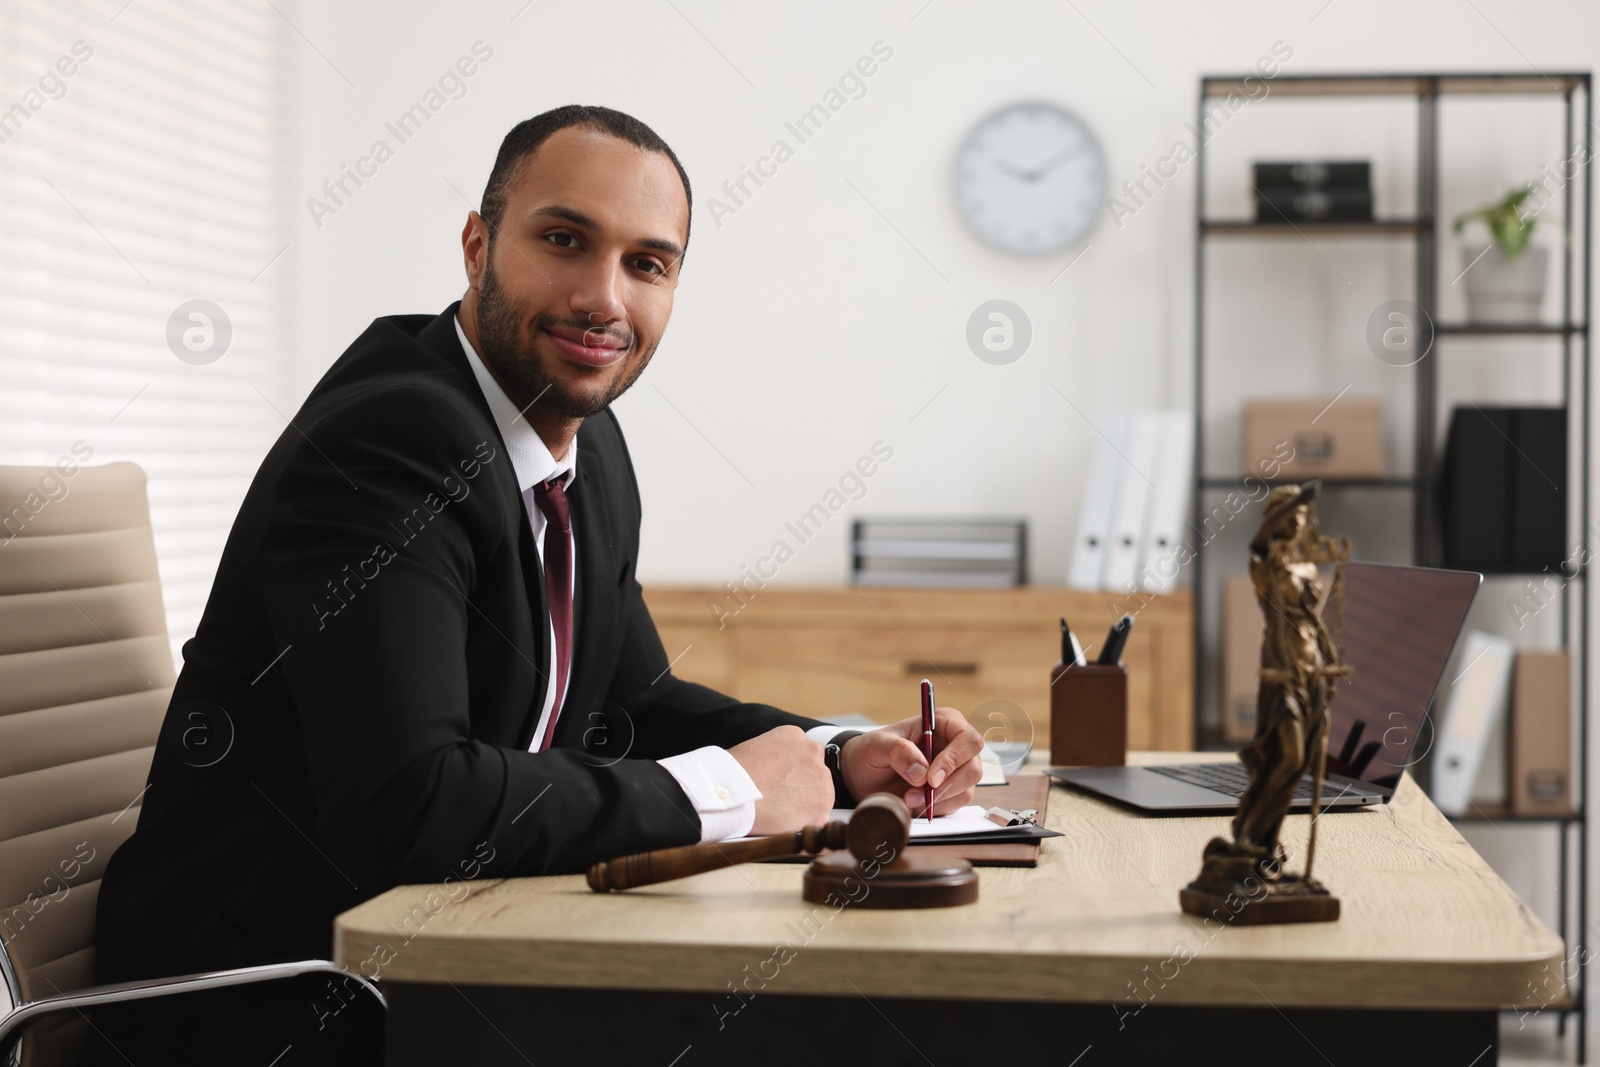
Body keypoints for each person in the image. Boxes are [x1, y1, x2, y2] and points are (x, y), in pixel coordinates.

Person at [81, 105, 984, 1065]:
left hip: (441, 954)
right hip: (272, 1001)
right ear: (478, 247)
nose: (604, 297)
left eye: (648, 263)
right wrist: (730, 789)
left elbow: (629, 706)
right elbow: (411, 803)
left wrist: (834, 753)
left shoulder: (583, 446)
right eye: (564, 240)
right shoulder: (390, 440)